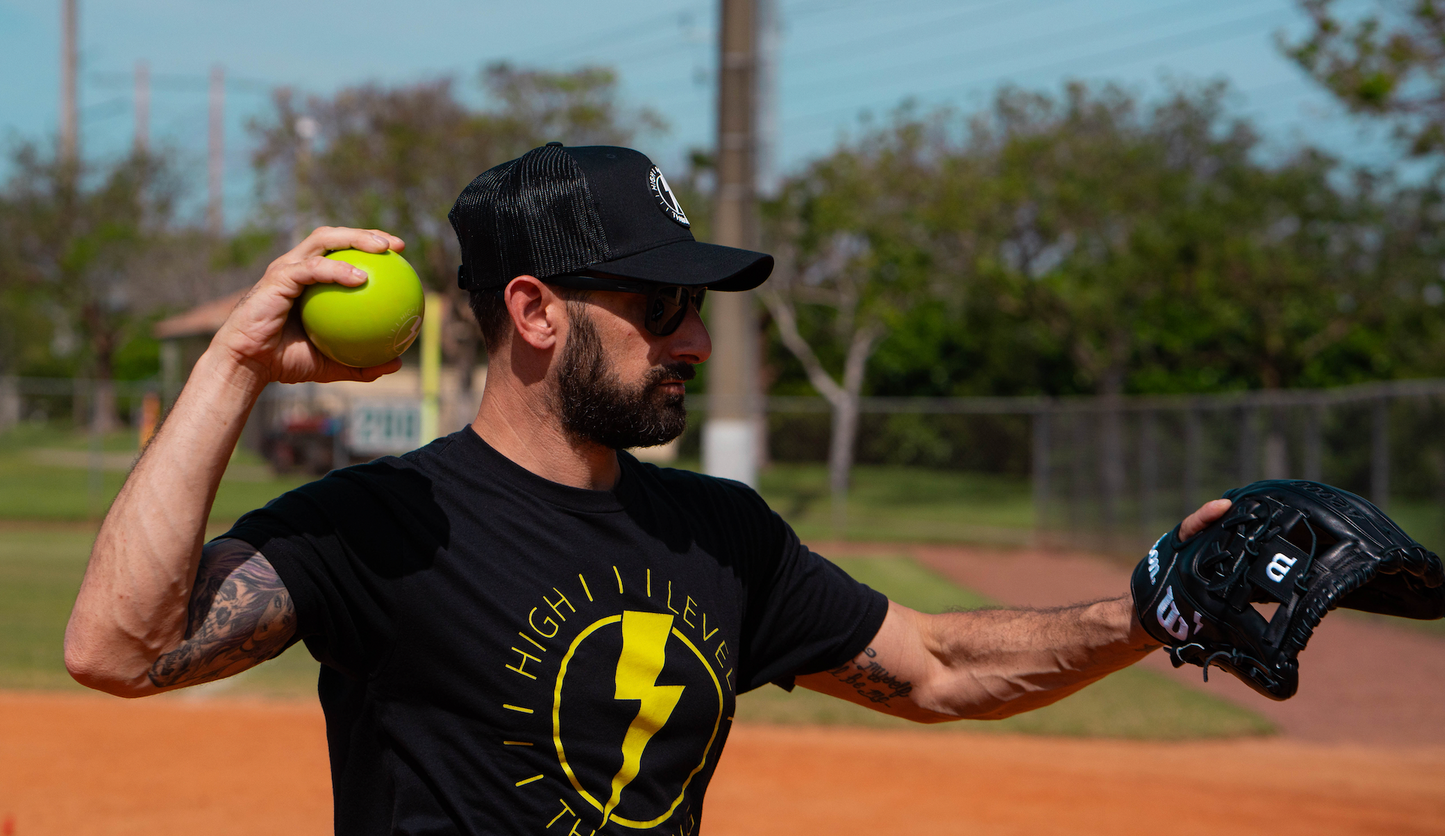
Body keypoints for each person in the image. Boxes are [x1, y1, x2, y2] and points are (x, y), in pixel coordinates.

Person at [65, 143, 1228, 835]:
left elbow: (932, 665)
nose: (693, 342)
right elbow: (118, 648)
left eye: (699, 309)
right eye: (659, 307)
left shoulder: (718, 532)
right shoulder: (380, 524)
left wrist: (1148, 612)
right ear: (534, 310)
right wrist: (236, 364)